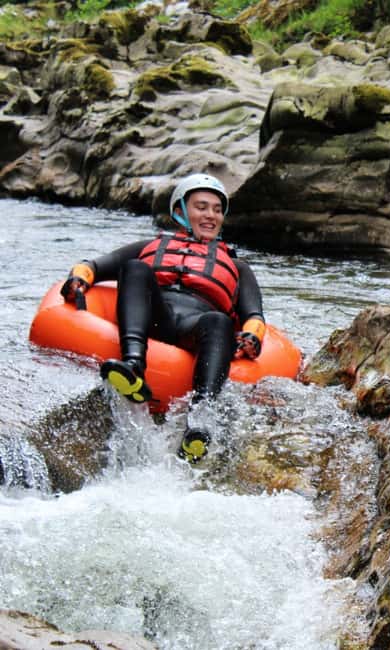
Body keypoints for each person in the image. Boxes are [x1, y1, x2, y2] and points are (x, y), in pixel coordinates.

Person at [59, 173, 266, 463]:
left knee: (219, 320)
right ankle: (133, 367)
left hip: (196, 327)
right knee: (134, 268)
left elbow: (254, 316)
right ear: (180, 211)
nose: (211, 215)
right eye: (201, 207)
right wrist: (78, 279)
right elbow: (91, 265)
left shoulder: (237, 266)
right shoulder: (149, 246)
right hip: (155, 317)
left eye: (217, 210)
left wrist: (252, 336)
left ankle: (200, 419)